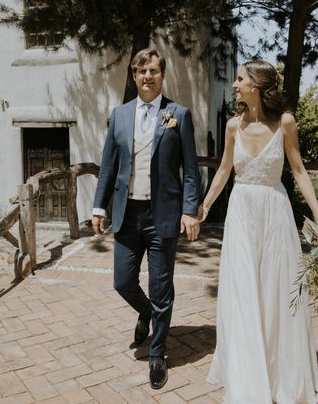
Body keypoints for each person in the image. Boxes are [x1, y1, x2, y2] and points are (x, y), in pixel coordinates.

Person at [200, 60, 318, 403]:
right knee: (244, 291)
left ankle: (279, 374)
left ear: (255, 86)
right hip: (241, 215)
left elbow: (299, 171)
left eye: (240, 79)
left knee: (276, 291)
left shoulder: (285, 122)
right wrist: (204, 206)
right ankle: (247, 374)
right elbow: (224, 170)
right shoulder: (232, 126)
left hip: (275, 214)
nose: (234, 84)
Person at [92, 48, 200, 390]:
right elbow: (109, 164)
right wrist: (98, 206)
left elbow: (191, 170)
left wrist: (189, 209)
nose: (147, 76)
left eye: (153, 70)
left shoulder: (178, 115)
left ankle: (157, 353)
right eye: (141, 71)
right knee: (122, 281)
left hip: (163, 214)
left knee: (161, 286)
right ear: (134, 76)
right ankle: (146, 312)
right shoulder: (119, 115)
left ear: (161, 75)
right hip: (127, 213)